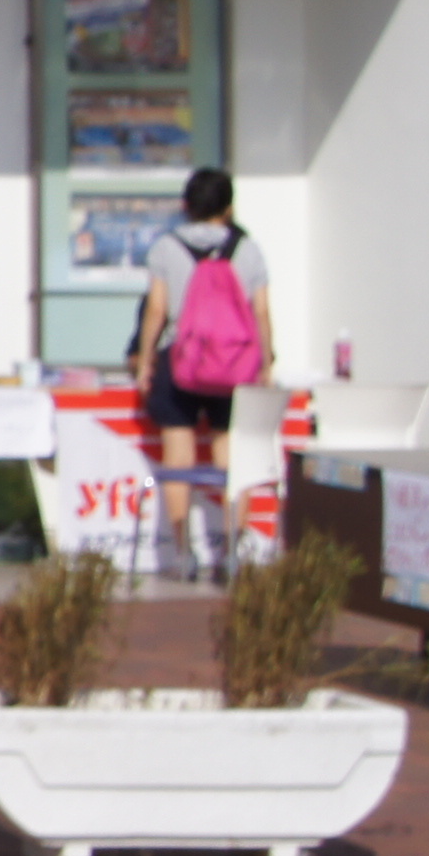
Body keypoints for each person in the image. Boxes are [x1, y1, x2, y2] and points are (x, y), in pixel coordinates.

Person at [131, 167, 279, 581]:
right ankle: (232, 551)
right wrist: (266, 364)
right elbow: (261, 312)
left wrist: (145, 361)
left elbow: (157, 310)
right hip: (234, 367)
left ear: (186, 205)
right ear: (229, 207)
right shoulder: (247, 249)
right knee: (231, 453)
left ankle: (181, 552)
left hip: (180, 362)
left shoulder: (166, 247)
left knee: (178, 454)